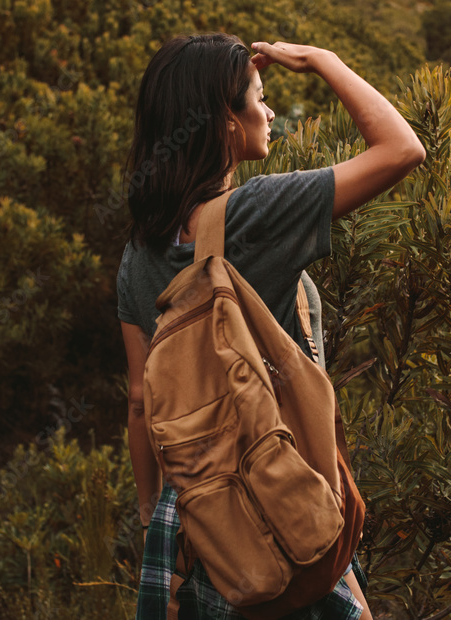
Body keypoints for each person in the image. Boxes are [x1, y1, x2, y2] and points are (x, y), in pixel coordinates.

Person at [116, 33, 425, 619]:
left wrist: (153, 510)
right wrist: (323, 60)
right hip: (276, 492)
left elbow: (139, 400)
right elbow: (402, 149)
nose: (271, 111)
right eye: (259, 97)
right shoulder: (256, 213)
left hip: (193, 517)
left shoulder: (137, 252)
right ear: (225, 122)